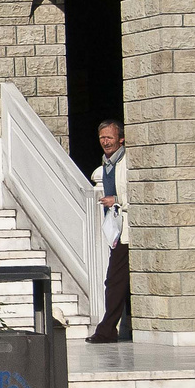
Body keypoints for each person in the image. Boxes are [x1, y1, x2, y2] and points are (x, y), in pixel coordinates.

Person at [87, 119, 131, 343]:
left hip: (129, 230)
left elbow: (140, 191)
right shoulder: (107, 163)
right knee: (117, 280)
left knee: (115, 281)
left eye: (110, 137)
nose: (105, 141)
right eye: (102, 137)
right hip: (118, 231)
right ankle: (112, 329)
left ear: (120, 139)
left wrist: (117, 199)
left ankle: (106, 330)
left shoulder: (126, 162)